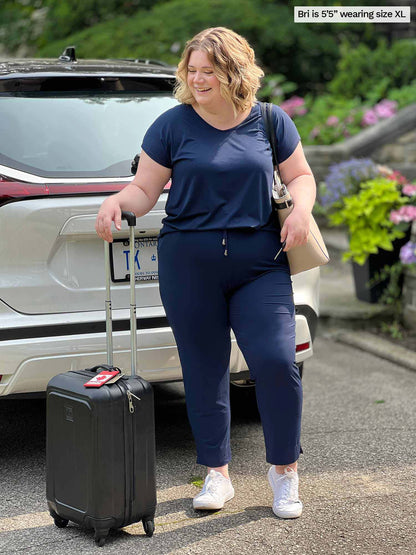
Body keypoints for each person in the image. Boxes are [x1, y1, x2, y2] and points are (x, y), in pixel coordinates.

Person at [95, 26, 316, 519]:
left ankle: (284, 472)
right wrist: (116, 202)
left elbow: (299, 175)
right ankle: (216, 473)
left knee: (277, 361)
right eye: (191, 71)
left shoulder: (270, 121)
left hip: (260, 262)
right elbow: (144, 191)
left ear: (234, 72)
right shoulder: (172, 126)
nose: (197, 80)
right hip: (189, 263)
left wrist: (300, 210)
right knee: (202, 368)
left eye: (208, 72)